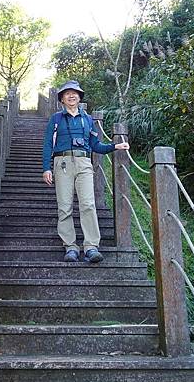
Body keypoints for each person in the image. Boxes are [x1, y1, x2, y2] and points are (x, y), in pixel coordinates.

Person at [42, 80, 130, 263]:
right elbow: (47, 144)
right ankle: (70, 247)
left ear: (79, 97)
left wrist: (115, 146)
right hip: (62, 162)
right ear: (62, 99)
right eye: (67, 93)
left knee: (88, 204)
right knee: (64, 206)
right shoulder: (56, 119)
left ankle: (91, 247)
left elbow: (95, 145)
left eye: (75, 93)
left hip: (84, 163)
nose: (71, 95)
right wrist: (46, 168)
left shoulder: (88, 119)